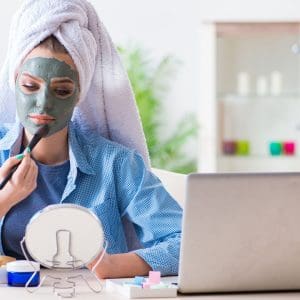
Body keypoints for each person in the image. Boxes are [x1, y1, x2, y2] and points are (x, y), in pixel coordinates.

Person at [0, 0, 182, 279]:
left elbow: (186, 242)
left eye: (61, 90)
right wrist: (5, 198)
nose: (43, 103)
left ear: (79, 94)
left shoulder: (116, 164)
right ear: (14, 83)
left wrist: (116, 265)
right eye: (29, 86)